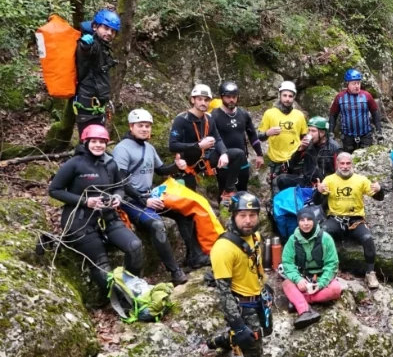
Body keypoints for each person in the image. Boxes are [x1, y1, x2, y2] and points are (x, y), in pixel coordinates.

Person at [209, 191, 280, 357]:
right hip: (241, 306)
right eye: (243, 215)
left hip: (257, 297)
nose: (248, 220)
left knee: (265, 330)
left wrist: (264, 286)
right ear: (233, 215)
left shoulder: (255, 237)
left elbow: (256, 266)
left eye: (252, 215)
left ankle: (222, 341)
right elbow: (223, 293)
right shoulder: (223, 249)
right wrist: (239, 326)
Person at [48, 125, 143, 291]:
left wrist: (117, 197)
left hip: (107, 217)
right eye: (94, 141)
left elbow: (119, 186)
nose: (98, 145)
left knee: (135, 246)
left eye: (102, 142)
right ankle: (118, 300)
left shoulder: (110, 163)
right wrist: (85, 201)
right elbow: (54, 190)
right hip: (79, 221)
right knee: (101, 264)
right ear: (85, 142)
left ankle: (131, 288)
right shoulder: (74, 164)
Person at [112, 109, 192, 285]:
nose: (144, 129)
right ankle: (175, 271)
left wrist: (176, 166)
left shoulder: (149, 147)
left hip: (149, 196)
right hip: (131, 200)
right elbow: (121, 181)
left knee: (185, 211)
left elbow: (161, 170)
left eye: (147, 126)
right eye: (140, 125)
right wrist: (143, 200)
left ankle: (193, 256)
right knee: (157, 225)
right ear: (131, 127)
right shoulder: (122, 149)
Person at [169, 84, 247, 209]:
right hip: (187, 165)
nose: (203, 102)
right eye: (199, 99)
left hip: (205, 160)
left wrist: (224, 153)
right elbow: (173, 145)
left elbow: (218, 138)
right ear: (193, 100)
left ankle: (227, 192)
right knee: (191, 205)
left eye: (206, 100)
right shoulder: (181, 119)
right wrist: (198, 145)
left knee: (238, 154)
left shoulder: (209, 119)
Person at [313, 152, 384, 289]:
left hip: (355, 220)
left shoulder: (361, 180)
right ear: (337, 164)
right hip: (336, 219)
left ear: (352, 164)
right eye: (342, 163)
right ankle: (326, 268)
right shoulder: (329, 179)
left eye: (348, 163)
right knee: (322, 233)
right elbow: (316, 201)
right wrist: (318, 191)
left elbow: (379, 197)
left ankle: (370, 273)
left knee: (367, 238)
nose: (345, 166)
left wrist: (379, 190)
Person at [280, 205, 342, 329]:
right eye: (302, 220)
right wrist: (298, 280)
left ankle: (299, 301)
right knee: (286, 284)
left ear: (314, 221)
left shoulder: (326, 239)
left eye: (309, 220)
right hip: (302, 277)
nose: (306, 223)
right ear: (298, 222)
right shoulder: (293, 240)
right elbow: (287, 263)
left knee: (336, 289)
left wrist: (321, 283)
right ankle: (305, 311)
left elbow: (332, 264)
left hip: (320, 278)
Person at [211, 81, 265, 200]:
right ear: (221, 97)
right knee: (224, 193)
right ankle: (224, 215)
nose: (231, 100)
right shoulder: (214, 115)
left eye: (234, 97)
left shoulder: (243, 113)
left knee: (243, 192)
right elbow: (212, 139)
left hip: (242, 161)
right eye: (228, 97)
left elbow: (252, 135)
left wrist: (259, 154)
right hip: (224, 161)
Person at [74, 9, 120, 135]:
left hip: (97, 105)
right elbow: (86, 52)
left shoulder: (103, 46)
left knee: (95, 141)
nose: (109, 33)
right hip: (87, 104)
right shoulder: (93, 44)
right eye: (105, 28)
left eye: (113, 31)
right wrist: (85, 45)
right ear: (95, 26)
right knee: (89, 141)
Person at [257, 81, 308, 191]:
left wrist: (304, 146)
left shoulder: (299, 115)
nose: (287, 99)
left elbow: (304, 136)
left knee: (295, 190)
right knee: (276, 190)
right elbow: (259, 136)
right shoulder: (269, 114)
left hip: (295, 159)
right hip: (276, 160)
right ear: (279, 95)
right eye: (284, 95)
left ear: (294, 97)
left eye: (290, 96)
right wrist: (267, 133)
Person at [329, 69, 383, 153]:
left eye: (358, 83)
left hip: (365, 135)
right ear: (348, 84)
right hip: (348, 137)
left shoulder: (366, 96)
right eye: (354, 83)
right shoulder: (340, 97)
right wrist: (331, 132)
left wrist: (379, 131)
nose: (357, 86)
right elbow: (333, 115)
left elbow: (375, 113)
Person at [294, 116, 341, 187]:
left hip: (325, 185)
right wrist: (300, 150)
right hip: (307, 182)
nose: (310, 134)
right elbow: (292, 165)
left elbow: (339, 172)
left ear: (322, 133)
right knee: (281, 179)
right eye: (309, 130)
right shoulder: (307, 145)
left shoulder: (334, 147)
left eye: (313, 131)